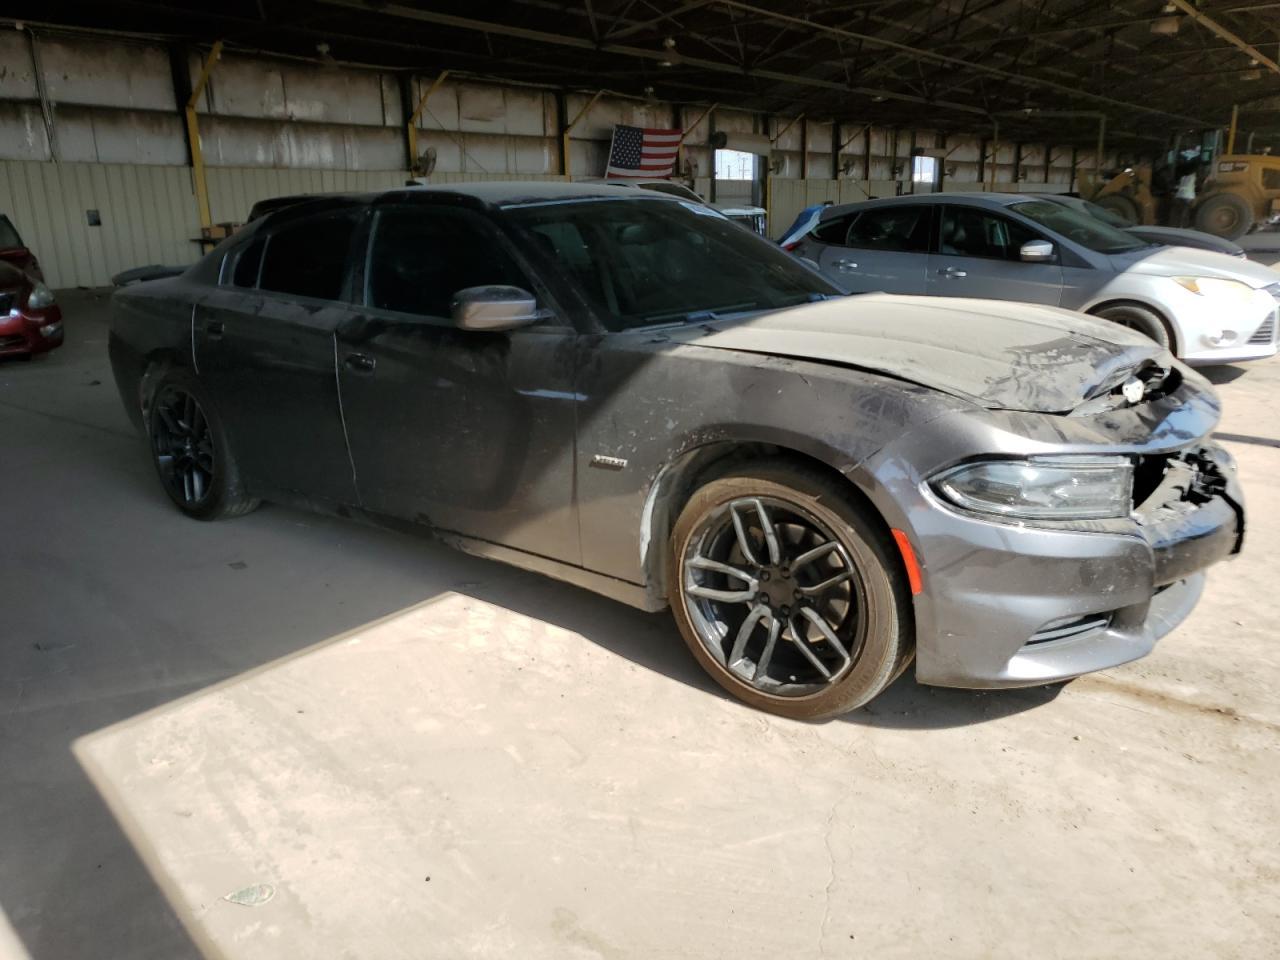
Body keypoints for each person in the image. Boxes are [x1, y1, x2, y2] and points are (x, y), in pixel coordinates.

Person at [1171, 162, 1196, 227]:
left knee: (1181, 211)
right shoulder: (1191, 177)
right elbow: (1187, 186)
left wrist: (1177, 187)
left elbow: (1183, 186)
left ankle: (1179, 225)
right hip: (1187, 196)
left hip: (1181, 196)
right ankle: (1182, 225)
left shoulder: (1184, 178)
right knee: (1185, 211)